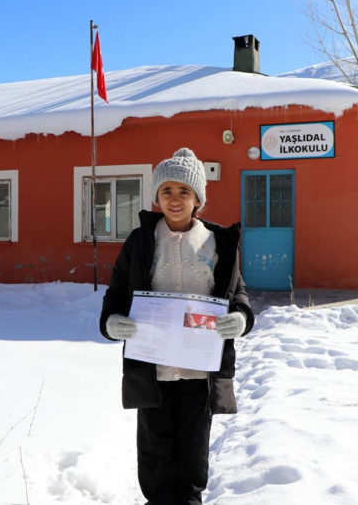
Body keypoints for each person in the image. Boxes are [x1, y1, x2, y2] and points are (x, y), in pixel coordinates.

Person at [100, 147, 255, 504]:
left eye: (184, 191)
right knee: (156, 462)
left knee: (191, 462)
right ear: (156, 197)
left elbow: (238, 292)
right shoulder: (141, 242)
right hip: (152, 370)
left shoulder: (218, 243)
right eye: (167, 191)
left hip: (199, 372)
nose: (175, 199)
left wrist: (241, 318)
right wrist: (111, 322)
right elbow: (117, 291)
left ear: (197, 198)